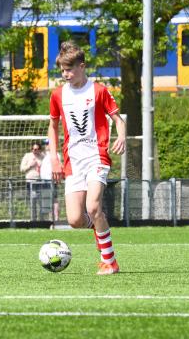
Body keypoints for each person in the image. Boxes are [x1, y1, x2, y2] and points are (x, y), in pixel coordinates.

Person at [47, 41, 126, 275]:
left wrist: (121, 136)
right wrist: (53, 158)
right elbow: (52, 127)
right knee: (74, 219)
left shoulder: (99, 90)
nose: (65, 74)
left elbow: (118, 120)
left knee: (93, 206)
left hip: (97, 156)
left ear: (82, 66)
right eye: (62, 70)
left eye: (69, 69)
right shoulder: (58, 95)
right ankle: (98, 225)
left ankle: (110, 261)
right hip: (73, 161)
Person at [39, 139, 60, 222]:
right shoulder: (46, 155)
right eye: (46, 144)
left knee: (54, 199)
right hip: (44, 180)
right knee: (48, 199)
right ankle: (50, 218)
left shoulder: (55, 155)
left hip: (50, 180)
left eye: (48, 144)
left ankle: (56, 217)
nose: (46, 146)